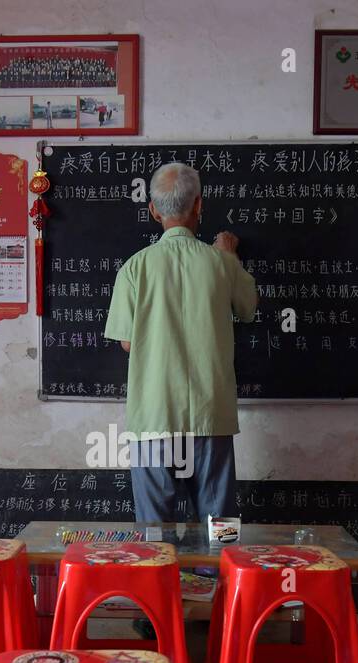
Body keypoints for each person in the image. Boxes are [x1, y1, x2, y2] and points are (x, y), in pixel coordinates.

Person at [104, 162, 258, 524]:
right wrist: (230, 255)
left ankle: (158, 577)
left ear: (154, 210)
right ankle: (222, 578)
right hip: (210, 414)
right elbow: (248, 308)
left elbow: (127, 342)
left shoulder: (134, 268)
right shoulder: (221, 264)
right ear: (199, 205)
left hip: (154, 415)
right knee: (219, 525)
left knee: (154, 529)